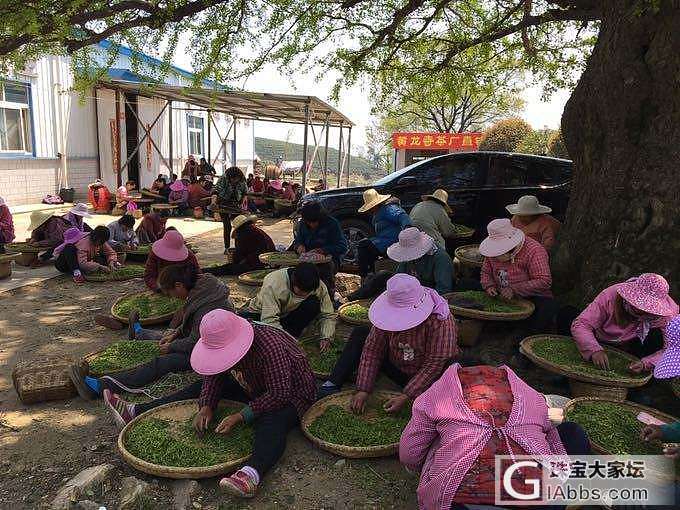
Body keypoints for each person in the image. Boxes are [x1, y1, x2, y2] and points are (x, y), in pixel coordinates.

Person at [103, 309, 316, 498]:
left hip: (293, 394)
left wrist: (241, 415)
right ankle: (135, 411)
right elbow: (214, 374)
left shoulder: (270, 346)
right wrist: (206, 406)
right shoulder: (225, 342)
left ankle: (251, 473)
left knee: (272, 419)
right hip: (253, 385)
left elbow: (279, 393)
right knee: (200, 389)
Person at [400, 363, 589, 509]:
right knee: (571, 431)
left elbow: (410, 454)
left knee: (438, 439)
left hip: (456, 504)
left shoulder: (437, 394)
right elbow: (549, 425)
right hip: (541, 503)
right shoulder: (530, 396)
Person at [71, 264, 234, 400]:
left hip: (213, 350)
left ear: (178, 285)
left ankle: (99, 387)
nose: (171, 297)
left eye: (170, 293)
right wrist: (175, 333)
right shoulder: (202, 285)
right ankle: (140, 333)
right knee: (167, 338)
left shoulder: (207, 306)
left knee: (160, 363)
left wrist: (172, 347)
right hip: (206, 339)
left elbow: (195, 342)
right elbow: (191, 326)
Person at [318, 274, 458, 405]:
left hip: (426, 376)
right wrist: (363, 389)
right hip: (397, 364)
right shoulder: (386, 316)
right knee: (362, 333)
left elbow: (435, 363)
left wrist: (407, 395)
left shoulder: (440, 320)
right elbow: (373, 349)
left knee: (452, 365)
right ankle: (333, 383)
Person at [566, 273, 678, 372]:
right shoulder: (611, 295)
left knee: (655, 337)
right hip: (600, 336)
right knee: (567, 314)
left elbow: (673, 348)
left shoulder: (668, 314)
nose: (644, 311)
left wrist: (646, 364)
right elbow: (582, 324)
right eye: (640, 307)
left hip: (632, 344)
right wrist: (594, 350)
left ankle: (640, 388)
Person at [479, 218, 557, 333]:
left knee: (548, 307)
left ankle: (526, 334)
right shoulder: (492, 254)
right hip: (500, 295)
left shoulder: (534, 250)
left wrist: (514, 289)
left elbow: (544, 281)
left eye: (500, 253)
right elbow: (485, 272)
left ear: (512, 248)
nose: (495, 258)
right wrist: (489, 286)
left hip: (531, 297)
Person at [242, 262, 335, 347]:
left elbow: (328, 314)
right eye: (301, 292)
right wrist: (288, 340)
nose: (304, 295)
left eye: (308, 292)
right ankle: (287, 336)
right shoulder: (273, 283)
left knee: (313, 304)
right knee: (251, 335)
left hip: (287, 313)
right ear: (293, 282)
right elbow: (269, 320)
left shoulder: (318, 285)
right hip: (260, 314)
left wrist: (326, 336)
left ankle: (291, 333)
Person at [292, 201, 348, 296]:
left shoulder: (332, 224)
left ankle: (328, 294)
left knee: (323, 270)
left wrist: (323, 250)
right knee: (294, 272)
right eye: (309, 222)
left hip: (328, 261)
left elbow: (342, 247)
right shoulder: (302, 224)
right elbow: (297, 241)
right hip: (306, 259)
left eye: (314, 222)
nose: (312, 225)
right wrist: (299, 246)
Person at [356, 189, 411, 277]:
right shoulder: (378, 213)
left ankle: (365, 275)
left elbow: (402, 216)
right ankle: (370, 273)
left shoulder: (389, 208)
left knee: (364, 245)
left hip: (394, 243)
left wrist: (407, 227)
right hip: (384, 243)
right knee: (365, 245)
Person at [388, 227, 454, 295]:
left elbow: (443, 290)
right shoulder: (407, 258)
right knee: (383, 275)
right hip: (410, 293)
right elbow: (398, 277)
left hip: (430, 296)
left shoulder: (440, 258)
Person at [204, 215, 275, 276]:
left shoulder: (244, 233)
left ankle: (204, 271)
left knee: (227, 268)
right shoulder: (254, 229)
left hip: (259, 263)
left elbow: (239, 254)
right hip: (268, 259)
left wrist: (234, 260)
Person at [54, 226, 120, 283]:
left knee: (101, 259)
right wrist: (100, 267)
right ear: (95, 237)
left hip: (79, 261)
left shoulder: (101, 242)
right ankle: (77, 273)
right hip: (64, 264)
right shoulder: (84, 243)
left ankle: (80, 270)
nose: (101, 243)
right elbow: (82, 264)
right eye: (100, 241)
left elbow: (111, 252)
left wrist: (111, 261)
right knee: (69, 247)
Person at [213, 166, 247, 252]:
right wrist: (213, 202)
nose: (234, 181)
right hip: (223, 202)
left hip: (236, 204)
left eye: (236, 179)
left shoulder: (242, 180)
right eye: (232, 179)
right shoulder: (223, 179)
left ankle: (238, 247)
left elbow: (245, 193)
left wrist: (242, 205)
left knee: (239, 226)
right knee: (227, 226)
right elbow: (215, 191)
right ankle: (227, 247)